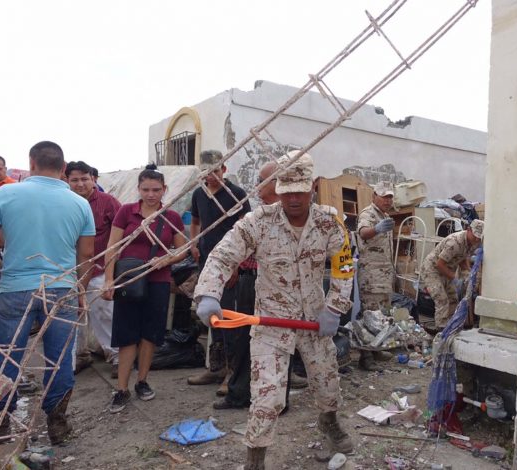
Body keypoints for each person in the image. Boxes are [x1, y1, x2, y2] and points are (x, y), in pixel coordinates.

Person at [194, 151, 355, 469]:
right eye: (286, 190)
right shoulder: (258, 222)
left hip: (314, 320)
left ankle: (329, 422)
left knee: (327, 383)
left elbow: (344, 266)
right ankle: (256, 458)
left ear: (313, 187)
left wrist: (335, 308)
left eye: (300, 190)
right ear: (277, 188)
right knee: (268, 399)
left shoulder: (329, 222)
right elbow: (222, 255)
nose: (293, 198)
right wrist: (208, 294)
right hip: (271, 323)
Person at [0, 141, 95, 445]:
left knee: (6, 357)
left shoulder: (5, 193)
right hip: (62, 290)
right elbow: (86, 257)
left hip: (16, 288)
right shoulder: (80, 204)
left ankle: (0, 423)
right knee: (60, 359)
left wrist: (3, 272)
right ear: (64, 169)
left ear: (31, 163)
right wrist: (80, 290)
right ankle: (57, 424)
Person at [102, 164, 188, 413]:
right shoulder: (126, 212)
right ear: (138, 189)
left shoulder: (170, 217)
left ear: (164, 190)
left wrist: (167, 259)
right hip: (129, 280)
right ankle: (121, 388)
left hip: (158, 280)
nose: (151, 194)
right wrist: (110, 280)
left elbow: (183, 248)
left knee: (150, 334)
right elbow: (112, 246)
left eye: (156, 190)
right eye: (146, 189)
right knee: (126, 334)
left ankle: (142, 381)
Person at [186, 150, 251, 394]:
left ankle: (232, 373)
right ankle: (217, 368)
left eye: (215, 170)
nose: (211, 176)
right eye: (206, 171)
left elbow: (246, 231)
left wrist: (236, 264)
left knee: (229, 316)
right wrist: (193, 243)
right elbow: (195, 222)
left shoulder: (237, 194)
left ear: (224, 169)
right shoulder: (198, 194)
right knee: (211, 316)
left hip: (230, 264)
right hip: (206, 263)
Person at [65, 161, 122, 376]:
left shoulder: (108, 203)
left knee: (105, 313)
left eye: (84, 179)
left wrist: (112, 271)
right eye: (74, 180)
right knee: (72, 315)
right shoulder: (64, 203)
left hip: (100, 270)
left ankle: (116, 357)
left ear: (93, 179)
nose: (80, 184)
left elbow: (121, 235)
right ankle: (80, 356)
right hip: (69, 271)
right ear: (66, 181)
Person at [355, 181, 397, 370]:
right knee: (369, 315)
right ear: (374, 196)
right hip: (371, 276)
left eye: (390, 197)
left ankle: (377, 349)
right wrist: (377, 229)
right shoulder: (368, 214)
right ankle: (366, 357)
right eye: (384, 196)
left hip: (384, 276)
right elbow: (363, 233)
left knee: (382, 315)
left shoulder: (384, 216)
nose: (388, 200)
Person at [420, 220, 485, 329]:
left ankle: (451, 326)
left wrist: (468, 273)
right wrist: (455, 279)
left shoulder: (473, 242)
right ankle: (441, 330)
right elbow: (439, 264)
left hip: (447, 269)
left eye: (479, 237)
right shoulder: (454, 242)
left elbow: (463, 258)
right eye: (475, 236)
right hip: (432, 270)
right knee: (442, 300)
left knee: (453, 299)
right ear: (468, 230)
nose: (477, 239)